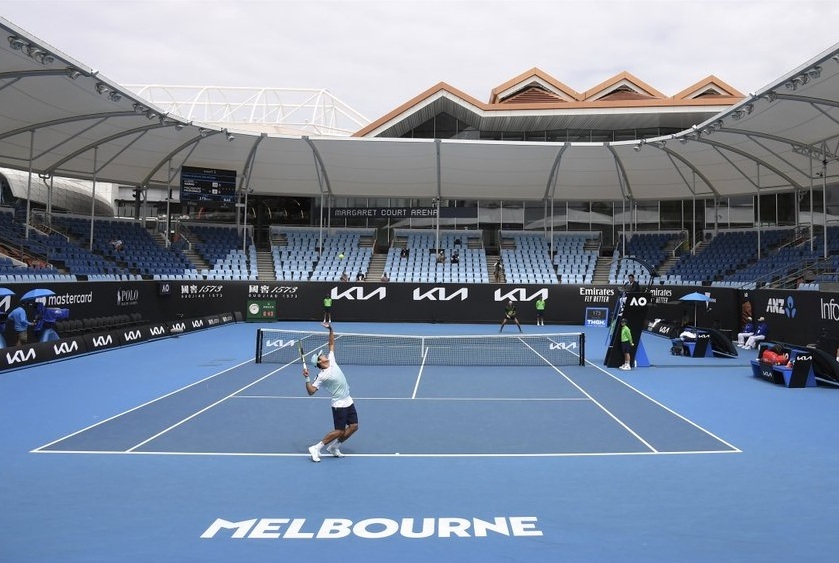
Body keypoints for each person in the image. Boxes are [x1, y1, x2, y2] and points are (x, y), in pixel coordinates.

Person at [303, 322, 358, 462]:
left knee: (354, 426)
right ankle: (316, 448)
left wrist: (331, 329)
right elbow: (311, 392)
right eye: (321, 356)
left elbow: (331, 344)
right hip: (339, 404)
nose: (324, 355)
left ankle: (334, 447)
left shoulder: (331, 359)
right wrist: (307, 378)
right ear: (319, 363)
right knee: (339, 430)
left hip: (348, 399)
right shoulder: (321, 375)